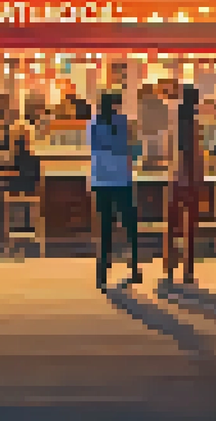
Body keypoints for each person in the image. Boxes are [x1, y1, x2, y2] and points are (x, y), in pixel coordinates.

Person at [89, 92, 141, 290]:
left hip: (101, 180)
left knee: (104, 227)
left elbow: (93, 148)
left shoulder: (93, 124)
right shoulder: (124, 123)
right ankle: (134, 265)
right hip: (122, 179)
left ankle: (101, 273)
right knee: (130, 224)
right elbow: (134, 149)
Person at [166, 85, 203, 285]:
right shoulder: (193, 124)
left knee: (172, 225)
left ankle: (170, 265)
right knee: (190, 228)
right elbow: (194, 153)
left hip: (175, 177)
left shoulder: (175, 122)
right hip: (190, 179)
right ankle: (188, 270)